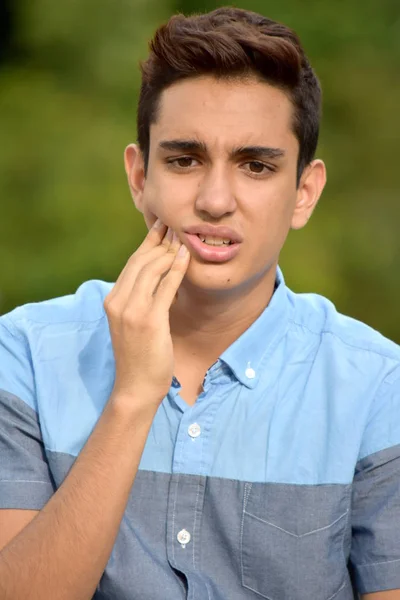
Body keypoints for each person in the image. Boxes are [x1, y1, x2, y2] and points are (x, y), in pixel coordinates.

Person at [0, 6, 399, 599]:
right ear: (139, 177)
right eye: (184, 159)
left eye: (256, 166)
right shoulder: (27, 354)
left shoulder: (377, 386)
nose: (215, 200)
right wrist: (133, 397)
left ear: (303, 193)